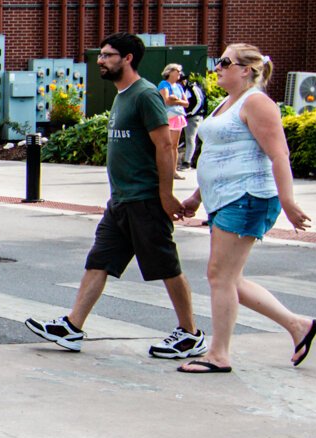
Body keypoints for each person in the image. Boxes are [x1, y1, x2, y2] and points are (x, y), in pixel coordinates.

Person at [25, 33, 205, 359]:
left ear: (128, 59)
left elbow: (165, 146)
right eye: (101, 55)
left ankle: (191, 334)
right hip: (121, 201)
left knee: (166, 266)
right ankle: (72, 326)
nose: (100, 61)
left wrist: (166, 194)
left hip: (145, 199)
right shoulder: (122, 96)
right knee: (99, 261)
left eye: (108, 56)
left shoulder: (145, 95)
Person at [173, 45, 316, 374]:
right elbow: (220, 155)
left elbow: (279, 155)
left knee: (219, 276)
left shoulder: (257, 103)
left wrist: (289, 202)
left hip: (248, 196)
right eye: (218, 61)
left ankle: (219, 355)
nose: (218, 68)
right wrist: (196, 196)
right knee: (228, 279)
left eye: (225, 62)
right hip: (223, 198)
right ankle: (298, 327)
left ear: (247, 70)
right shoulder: (228, 103)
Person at [160, 64, 189, 175]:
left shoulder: (179, 86)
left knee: (174, 146)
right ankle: (163, 171)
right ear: (169, 72)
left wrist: (175, 100)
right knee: (166, 145)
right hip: (167, 117)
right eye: (177, 71)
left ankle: (173, 171)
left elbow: (186, 103)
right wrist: (177, 101)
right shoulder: (164, 84)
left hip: (178, 117)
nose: (179, 73)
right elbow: (166, 100)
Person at [179, 74, 208, 171]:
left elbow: (199, 101)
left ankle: (187, 162)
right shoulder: (182, 89)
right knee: (188, 139)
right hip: (186, 116)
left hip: (194, 117)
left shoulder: (192, 88)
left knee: (190, 138)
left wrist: (191, 113)